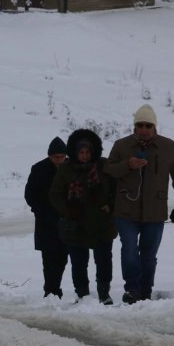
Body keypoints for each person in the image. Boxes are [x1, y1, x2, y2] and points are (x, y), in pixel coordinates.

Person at [104, 104, 174, 304]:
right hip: (126, 210)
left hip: (155, 211)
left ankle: (146, 291)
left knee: (149, 255)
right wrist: (128, 165)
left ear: (154, 127)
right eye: (140, 125)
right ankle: (132, 289)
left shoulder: (168, 146)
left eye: (147, 125)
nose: (143, 129)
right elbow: (107, 171)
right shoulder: (121, 145)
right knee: (130, 251)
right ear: (134, 127)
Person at [49, 129, 117, 305]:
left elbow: (116, 189)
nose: (85, 156)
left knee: (103, 260)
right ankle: (83, 294)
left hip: (102, 222)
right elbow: (55, 194)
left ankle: (104, 293)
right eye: (81, 152)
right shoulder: (66, 168)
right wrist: (68, 210)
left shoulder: (104, 166)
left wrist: (110, 205)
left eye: (88, 152)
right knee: (78, 262)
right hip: (75, 223)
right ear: (75, 152)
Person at [24, 137, 69, 298]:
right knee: (49, 258)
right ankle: (50, 289)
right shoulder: (39, 169)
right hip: (46, 221)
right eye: (55, 157)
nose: (59, 160)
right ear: (49, 156)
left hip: (67, 220)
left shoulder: (71, 167)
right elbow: (30, 195)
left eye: (62, 157)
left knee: (63, 256)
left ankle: (55, 286)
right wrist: (40, 211)